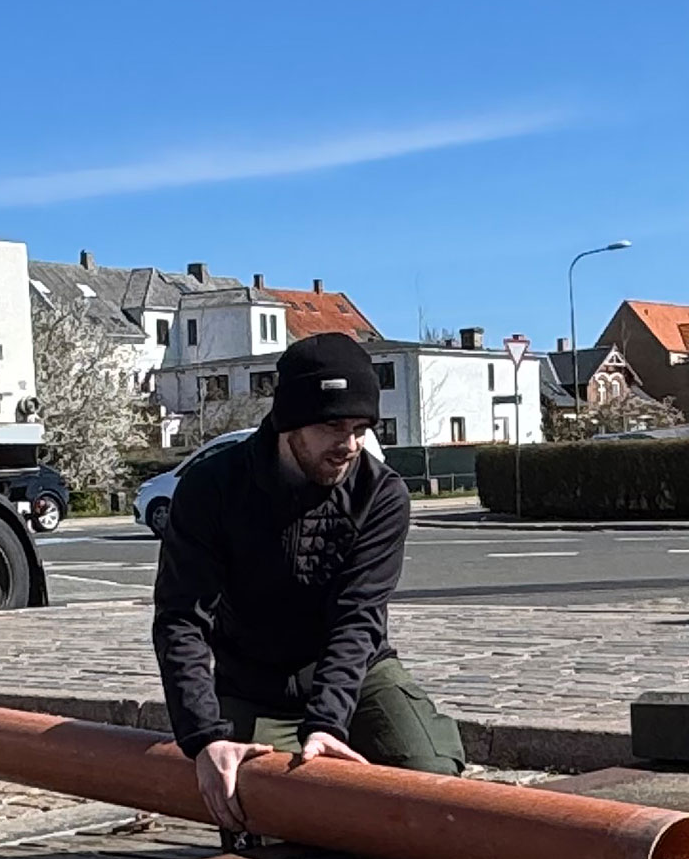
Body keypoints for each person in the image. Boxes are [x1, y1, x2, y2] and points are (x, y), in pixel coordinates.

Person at [149, 330, 463, 828]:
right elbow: (181, 619)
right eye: (333, 425)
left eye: (360, 427)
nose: (350, 444)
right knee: (263, 804)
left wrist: (327, 722)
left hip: (358, 674)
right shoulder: (211, 489)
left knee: (431, 785)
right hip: (252, 679)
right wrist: (205, 737)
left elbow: (357, 618)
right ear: (289, 421)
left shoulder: (380, 495)